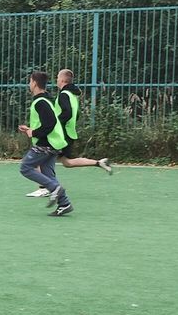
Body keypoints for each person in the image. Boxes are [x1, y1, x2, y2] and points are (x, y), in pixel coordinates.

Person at [27, 69, 113, 197]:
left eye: (57, 77)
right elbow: (75, 114)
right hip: (69, 133)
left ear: (62, 80)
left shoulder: (63, 95)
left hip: (62, 134)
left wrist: (56, 124)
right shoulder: (72, 95)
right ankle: (99, 162)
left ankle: (45, 187)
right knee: (67, 162)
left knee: (41, 155)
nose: (56, 79)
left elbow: (66, 113)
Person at [16, 71, 73, 217]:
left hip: (46, 144)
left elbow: (50, 123)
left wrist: (34, 133)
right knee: (48, 173)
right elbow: (47, 122)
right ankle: (64, 204)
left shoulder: (40, 102)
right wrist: (30, 130)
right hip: (53, 143)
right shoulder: (45, 100)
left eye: (30, 81)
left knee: (25, 167)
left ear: (34, 83)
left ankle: (54, 188)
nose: (29, 84)